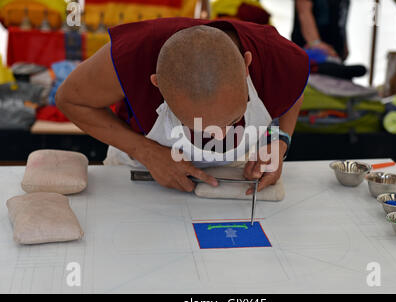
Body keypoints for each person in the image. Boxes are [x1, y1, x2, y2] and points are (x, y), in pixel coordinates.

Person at [56, 18, 309, 194]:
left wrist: (279, 138)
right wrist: (146, 152)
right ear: (158, 85)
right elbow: (69, 99)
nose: (220, 137)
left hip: (234, 173)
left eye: (233, 120)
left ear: (246, 64)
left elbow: (294, 89)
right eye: (198, 125)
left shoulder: (275, 55)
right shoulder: (133, 56)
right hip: (142, 171)